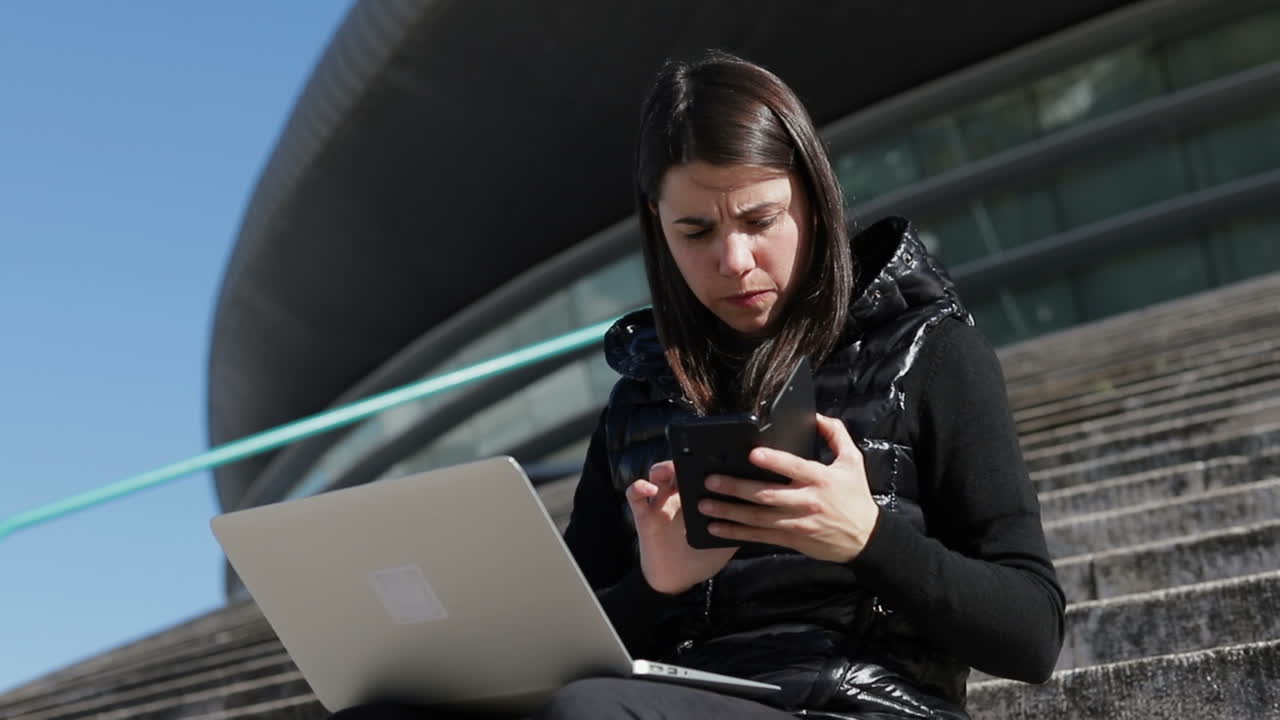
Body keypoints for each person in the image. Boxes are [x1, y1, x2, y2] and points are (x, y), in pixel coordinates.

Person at [332, 50, 1064, 720]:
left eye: (759, 218)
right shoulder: (638, 402)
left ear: (813, 198)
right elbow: (560, 656)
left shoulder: (929, 352)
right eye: (695, 231)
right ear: (657, 225)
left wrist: (866, 539)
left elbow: (1031, 636)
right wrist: (658, 582)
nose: (735, 259)